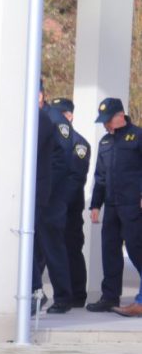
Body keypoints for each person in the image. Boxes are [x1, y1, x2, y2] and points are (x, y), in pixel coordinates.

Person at [88, 98, 142, 315]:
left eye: (107, 120)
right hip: (111, 205)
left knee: (136, 250)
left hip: (133, 206)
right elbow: (100, 176)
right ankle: (109, 297)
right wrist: (95, 205)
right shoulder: (105, 143)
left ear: (120, 115)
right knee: (110, 251)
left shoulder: (138, 137)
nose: (105, 125)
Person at [33, 88, 74, 314]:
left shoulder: (54, 119)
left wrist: (44, 186)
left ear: (39, 95)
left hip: (50, 196)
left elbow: (62, 160)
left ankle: (63, 297)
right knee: (35, 248)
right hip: (38, 193)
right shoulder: (36, 117)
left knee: (52, 248)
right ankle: (35, 293)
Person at [48, 97, 92, 306]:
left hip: (69, 207)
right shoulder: (51, 141)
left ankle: (77, 295)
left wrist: (59, 200)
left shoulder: (79, 143)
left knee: (71, 248)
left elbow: (76, 178)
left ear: (69, 116)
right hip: (53, 205)